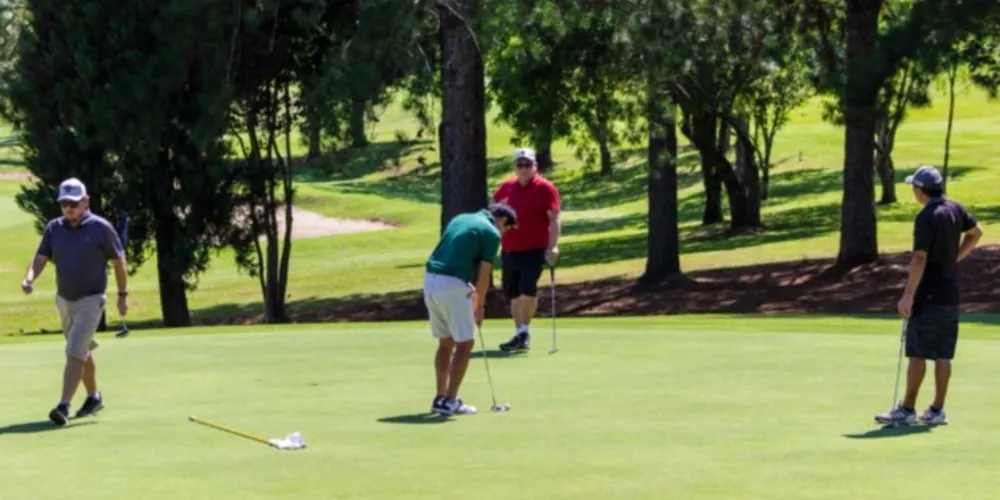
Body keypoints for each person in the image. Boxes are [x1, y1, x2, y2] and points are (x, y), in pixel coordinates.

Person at [875, 165, 983, 426]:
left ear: (921, 190)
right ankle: (937, 410)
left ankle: (908, 409)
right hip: (950, 293)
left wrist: (907, 296)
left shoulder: (927, 216)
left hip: (928, 293)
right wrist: (954, 258)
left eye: (914, 187)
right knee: (944, 354)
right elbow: (976, 232)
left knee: (918, 352)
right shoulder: (955, 209)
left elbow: (920, 257)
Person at [21, 178, 129, 426]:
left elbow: (119, 262)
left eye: (73, 203)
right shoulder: (54, 228)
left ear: (85, 201)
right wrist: (29, 278)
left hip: (92, 300)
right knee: (81, 350)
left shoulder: (101, 228)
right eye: (64, 204)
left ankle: (63, 405)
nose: (68, 208)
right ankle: (94, 396)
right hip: (64, 300)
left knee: (73, 351)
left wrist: (122, 296)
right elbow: (40, 258)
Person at [423, 203, 517, 416]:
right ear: (502, 220)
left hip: (430, 281)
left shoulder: (460, 217)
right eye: (507, 228)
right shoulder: (492, 232)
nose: (504, 232)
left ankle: (440, 397)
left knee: (446, 342)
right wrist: (479, 306)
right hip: (452, 285)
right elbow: (484, 276)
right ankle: (450, 400)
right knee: (465, 343)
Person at [491, 148, 561, 352]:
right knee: (512, 292)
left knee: (527, 288)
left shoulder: (545, 188)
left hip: (535, 249)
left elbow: (554, 218)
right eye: (519, 165)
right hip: (510, 249)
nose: (523, 169)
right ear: (514, 167)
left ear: (535, 167)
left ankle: (524, 330)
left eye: (527, 165)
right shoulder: (505, 188)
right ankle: (520, 333)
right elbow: (493, 213)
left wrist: (553, 245)